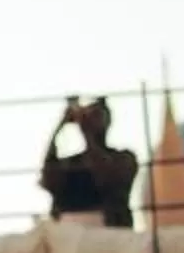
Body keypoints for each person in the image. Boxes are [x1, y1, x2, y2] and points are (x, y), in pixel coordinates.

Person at [41, 95, 141, 228]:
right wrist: (60, 127)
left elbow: (105, 176)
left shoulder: (124, 158)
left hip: (109, 233)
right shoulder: (72, 163)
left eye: (97, 115)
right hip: (68, 235)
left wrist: (87, 133)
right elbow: (48, 175)